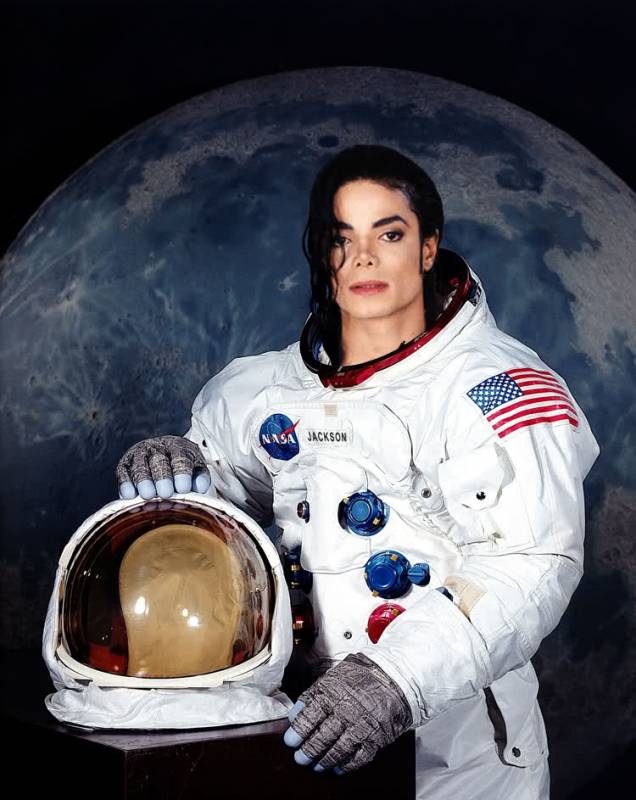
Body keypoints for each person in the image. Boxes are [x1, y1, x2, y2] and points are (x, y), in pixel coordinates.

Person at [116, 144, 599, 799]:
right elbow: (218, 514)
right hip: (300, 730)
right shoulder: (264, 389)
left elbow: (530, 562)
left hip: (458, 759)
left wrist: (393, 679)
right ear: (321, 253)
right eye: (342, 238)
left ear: (428, 247)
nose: (364, 257)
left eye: (389, 234)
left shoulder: (498, 387)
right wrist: (178, 474)